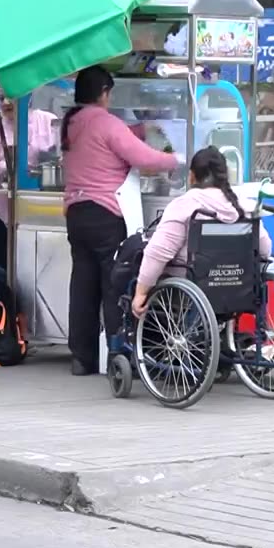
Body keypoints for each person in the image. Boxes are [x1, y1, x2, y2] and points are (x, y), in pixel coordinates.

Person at [62, 65, 179, 376]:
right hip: (106, 212)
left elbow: (112, 141)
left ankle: (82, 357)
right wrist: (178, 159)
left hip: (76, 212)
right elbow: (144, 159)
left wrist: (139, 130)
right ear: (104, 93)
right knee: (114, 283)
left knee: (83, 286)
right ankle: (118, 353)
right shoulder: (104, 121)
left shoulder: (71, 122)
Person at [130, 147, 272, 317]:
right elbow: (265, 249)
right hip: (239, 286)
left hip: (193, 288)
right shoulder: (244, 206)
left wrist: (141, 293)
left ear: (191, 176)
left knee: (134, 273)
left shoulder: (185, 205)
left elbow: (158, 253)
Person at [0, 84, 57, 269]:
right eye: (1, 98)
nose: (6, 103)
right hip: (4, 214)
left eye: (11, 96)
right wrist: (7, 167)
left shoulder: (48, 121)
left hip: (43, 211)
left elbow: (61, 156)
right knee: (6, 267)